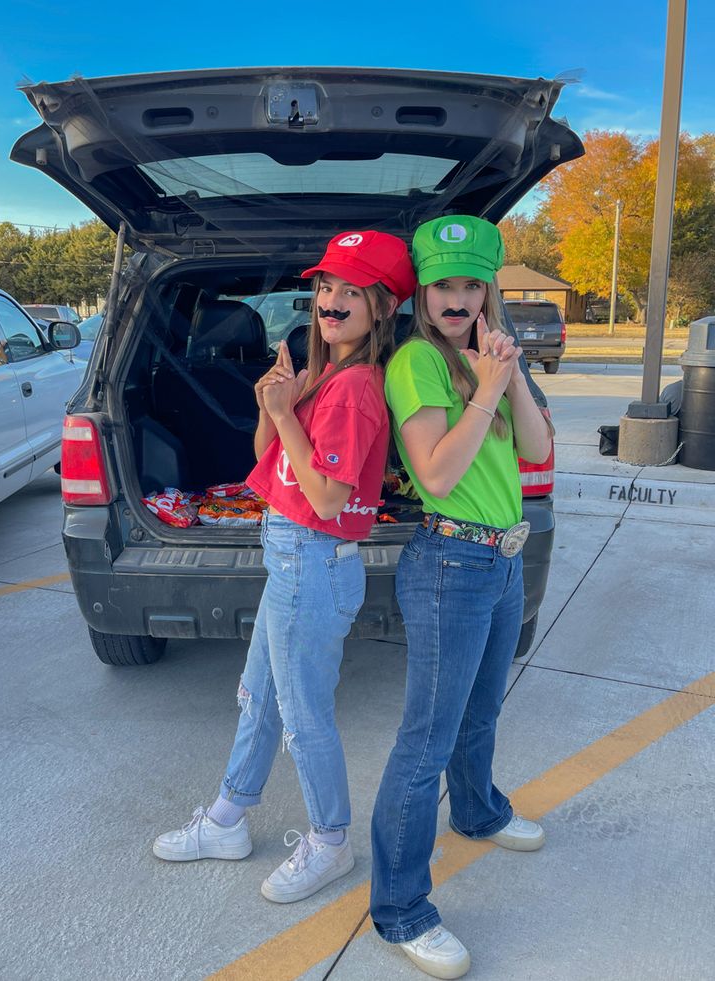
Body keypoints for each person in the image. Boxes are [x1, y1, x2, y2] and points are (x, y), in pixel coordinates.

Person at [153, 231, 416, 904]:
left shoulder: (358, 387)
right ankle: (229, 816)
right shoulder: (323, 372)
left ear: (383, 307)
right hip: (291, 557)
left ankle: (331, 840)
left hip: (315, 559)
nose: (332, 301)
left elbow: (327, 497)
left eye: (352, 291)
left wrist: (283, 413)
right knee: (258, 695)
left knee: (303, 715)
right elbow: (269, 456)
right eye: (326, 286)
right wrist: (277, 403)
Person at [370, 215, 553, 978]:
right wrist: (484, 388)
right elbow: (438, 475)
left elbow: (541, 450)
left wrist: (508, 376)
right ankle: (401, 909)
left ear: (488, 290)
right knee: (426, 743)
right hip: (450, 561)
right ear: (423, 290)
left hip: (503, 559)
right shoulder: (416, 361)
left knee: (483, 711)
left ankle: (477, 809)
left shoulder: (488, 358)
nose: (457, 297)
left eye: (472, 283)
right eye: (444, 283)